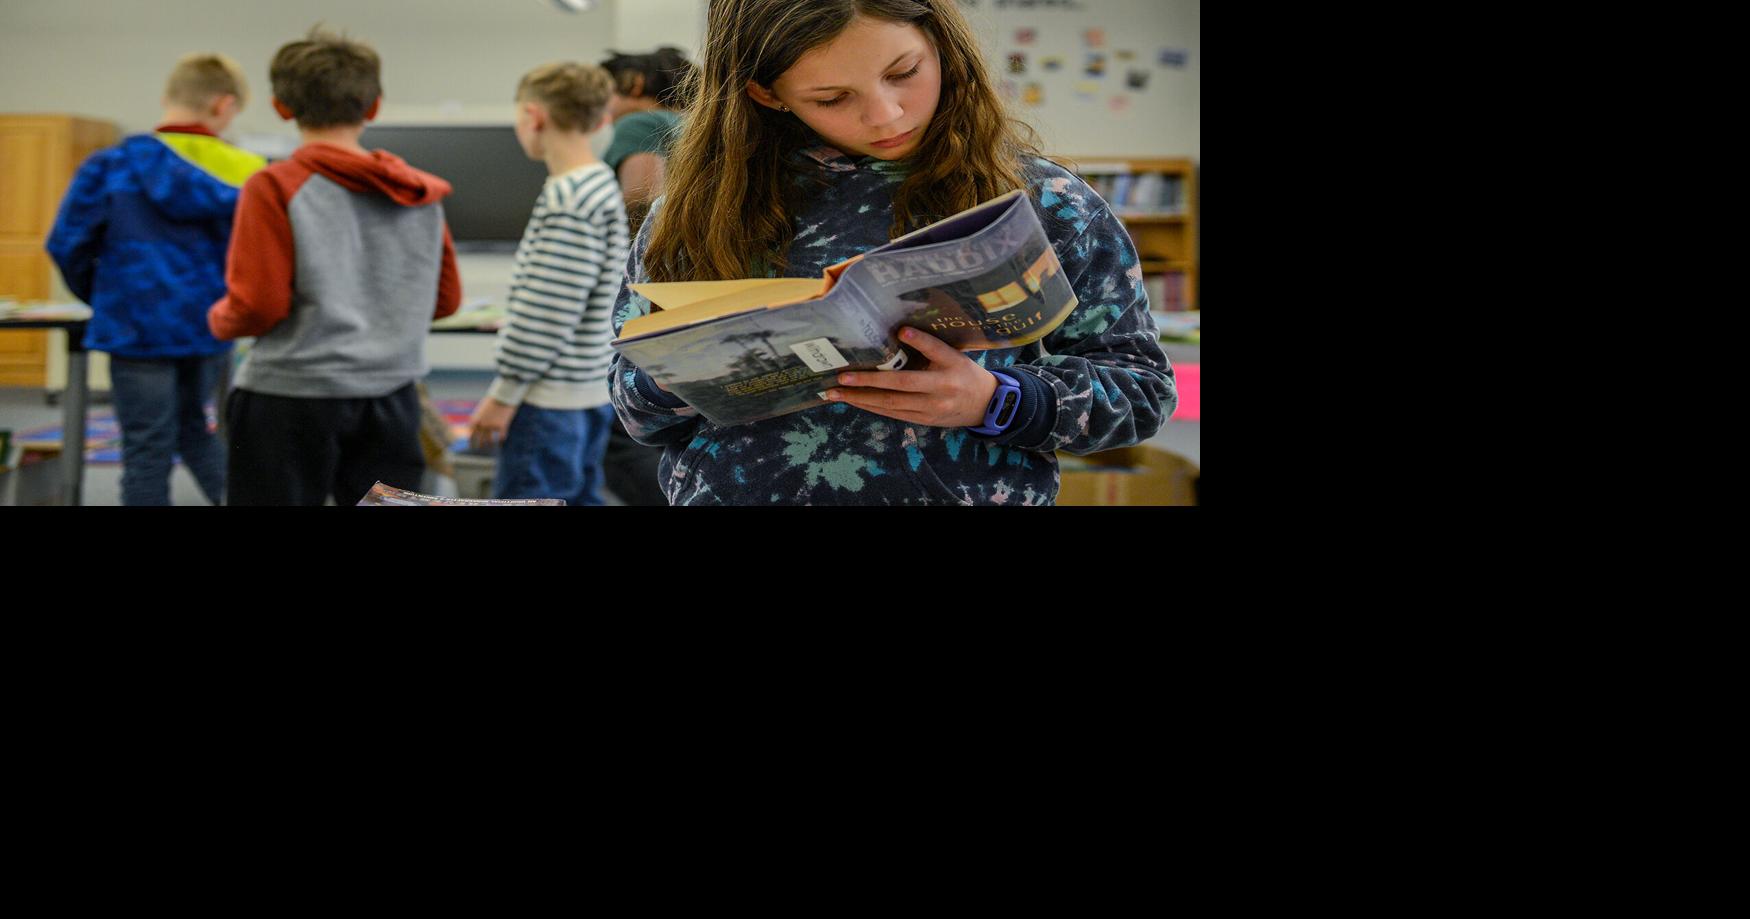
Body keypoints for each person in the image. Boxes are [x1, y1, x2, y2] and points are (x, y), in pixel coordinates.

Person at [608, 0, 1177, 506]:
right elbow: (634, 412)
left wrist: (996, 400)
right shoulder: (695, 215)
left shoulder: (1045, 200)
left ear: (939, 45)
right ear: (766, 94)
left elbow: (1142, 391)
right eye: (832, 98)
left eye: (904, 73)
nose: (886, 114)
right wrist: (696, 368)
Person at [207, 26, 461, 506]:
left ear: (282, 106)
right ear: (374, 106)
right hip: (393, 396)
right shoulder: (421, 194)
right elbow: (445, 302)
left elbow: (257, 306)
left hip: (289, 395)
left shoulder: (273, 186)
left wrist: (217, 318)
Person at [45, 52, 267, 506]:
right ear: (224, 106)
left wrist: (105, 295)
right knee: (197, 429)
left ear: (168, 98)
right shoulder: (247, 169)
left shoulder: (109, 166)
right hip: (207, 327)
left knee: (145, 448)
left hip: (134, 329)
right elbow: (258, 255)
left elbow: (67, 244)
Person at [465, 62, 628, 506]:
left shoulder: (569, 199)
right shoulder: (598, 185)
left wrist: (502, 396)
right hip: (589, 389)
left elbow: (547, 316)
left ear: (534, 116)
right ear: (599, 119)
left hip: (548, 402)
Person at [597, 46, 697, 506]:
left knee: (624, 447)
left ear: (634, 85)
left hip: (649, 289)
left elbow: (640, 200)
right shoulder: (694, 126)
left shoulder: (639, 124)